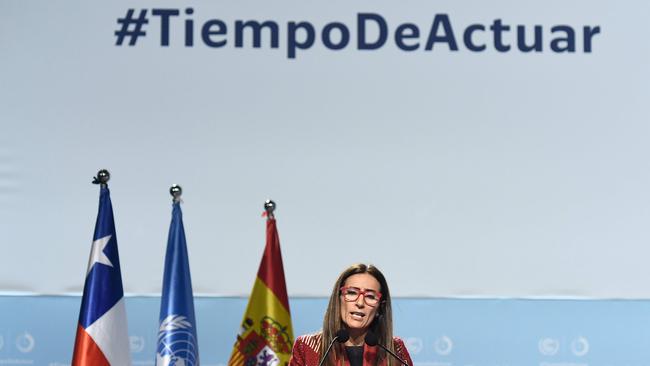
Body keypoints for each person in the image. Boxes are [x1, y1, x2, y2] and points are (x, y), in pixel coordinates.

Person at [289, 264, 413, 366]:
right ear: (339, 299)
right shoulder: (307, 347)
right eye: (352, 293)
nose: (360, 303)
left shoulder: (395, 350)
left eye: (370, 296)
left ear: (380, 307)